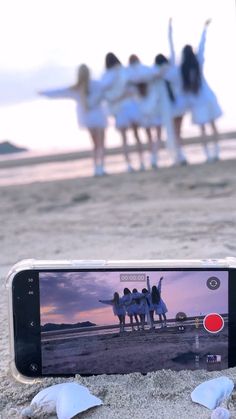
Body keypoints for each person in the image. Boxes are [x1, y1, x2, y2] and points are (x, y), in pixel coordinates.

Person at [39, 64, 107, 176]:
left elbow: (59, 92)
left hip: (88, 119)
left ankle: (97, 167)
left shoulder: (77, 88)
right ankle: (101, 167)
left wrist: (44, 93)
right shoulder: (95, 85)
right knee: (101, 144)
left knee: (95, 145)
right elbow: (108, 90)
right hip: (98, 117)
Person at [180, 19, 223, 161]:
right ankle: (216, 152)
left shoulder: (182, 70)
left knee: (203, 129)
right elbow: (202, 46)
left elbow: (201, 46)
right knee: (212, 126)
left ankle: (208, 154)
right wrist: (205, 29)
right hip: (206, 98)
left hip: (197, 101)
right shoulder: (197, 63)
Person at [101, 52, 146, 172]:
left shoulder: (107, 75)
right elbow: (135, 83)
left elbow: (105, 92)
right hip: (130, 106)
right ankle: (141, 162)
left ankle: (129, 164)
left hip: (120, 108)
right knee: (136, 135)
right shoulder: (124, 71)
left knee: (124, 138)